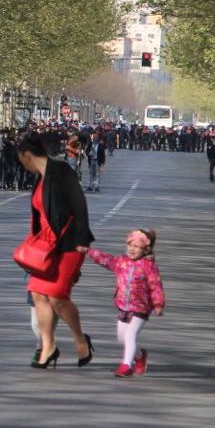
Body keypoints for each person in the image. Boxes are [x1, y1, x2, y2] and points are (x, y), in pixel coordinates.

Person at [16, 133, 95, 369]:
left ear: (27, 156)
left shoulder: (60, 171)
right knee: (39, 295)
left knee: (58, 298)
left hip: (69, 242)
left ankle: (80, 339)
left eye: (21, 160)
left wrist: (82, 237)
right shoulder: (40, 179)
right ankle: (48, 347)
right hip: (46, 245)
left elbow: (79, 203)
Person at [87, 229, 166, 377]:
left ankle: (126, 366)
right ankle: (139, 356)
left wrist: (158, 304)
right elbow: (106, 259)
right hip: (123, 305)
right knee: (122, 338)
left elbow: (156, 285)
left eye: (137, 247)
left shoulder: (149, 267)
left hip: (141, 307)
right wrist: (88, 251)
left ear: (145, 249)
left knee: (130, 336)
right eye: (130, 246)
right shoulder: (121, 262)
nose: (132, 249)